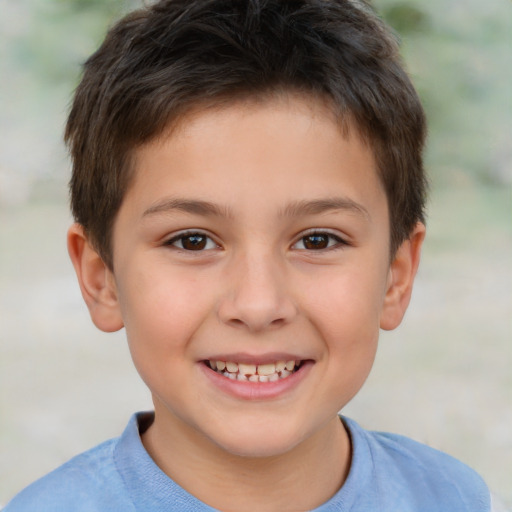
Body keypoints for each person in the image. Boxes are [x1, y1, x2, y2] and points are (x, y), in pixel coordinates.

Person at [4, 0, 491, 510]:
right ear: (101, 278)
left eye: (317, 240)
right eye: (192, 241)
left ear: (396, 276)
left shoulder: (456, 498)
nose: (258, 305)